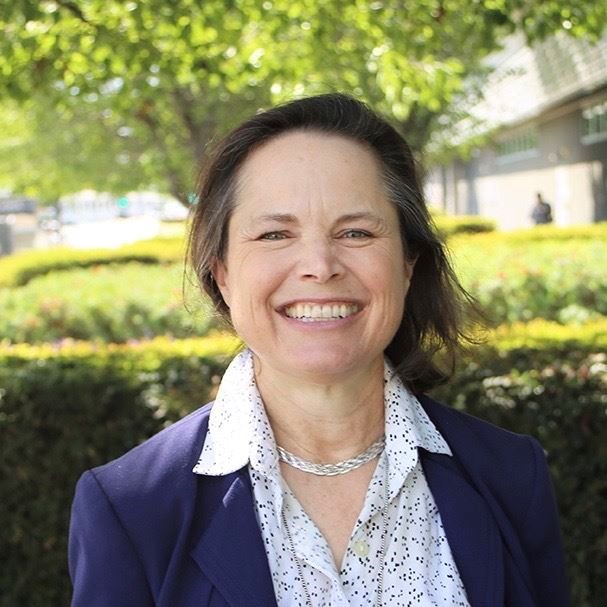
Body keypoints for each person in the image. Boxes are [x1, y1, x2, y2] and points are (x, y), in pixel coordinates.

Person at [69, 94, 570, 607]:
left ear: (407, 262)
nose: (319, 265)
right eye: (274, 234)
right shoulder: (131, 508)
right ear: (221, 272)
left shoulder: (511, 475)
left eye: (356, 231)